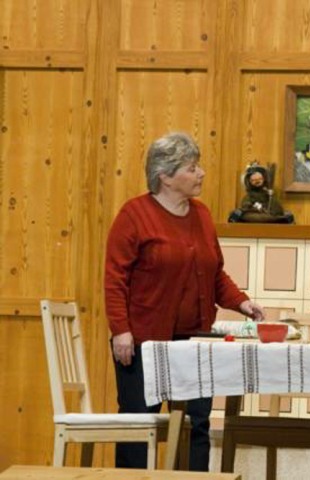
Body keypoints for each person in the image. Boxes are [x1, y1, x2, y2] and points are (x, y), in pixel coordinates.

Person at [104, 132, 265, 470]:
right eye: (192, 168)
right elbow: (115, 278)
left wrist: (242, 303)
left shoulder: (201, 214)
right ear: (165, 176)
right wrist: (120, 330)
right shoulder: (134, 214)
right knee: (138, 425)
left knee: (196, 424)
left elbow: (214, 273)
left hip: (194, 341)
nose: (201, 173)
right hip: (143, 343)